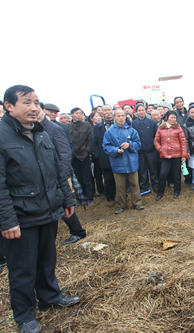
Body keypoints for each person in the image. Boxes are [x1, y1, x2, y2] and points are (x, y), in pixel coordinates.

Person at [1, 85, 80, 333]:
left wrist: (67, 200)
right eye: (27, 102)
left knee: (47, 260)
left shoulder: (42, 133)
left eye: (37, 102)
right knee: (22, 268)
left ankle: (50, 297)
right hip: (20, 217)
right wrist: (6, 221)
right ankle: (25, 316)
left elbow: (57, 170)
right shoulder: (2, 136)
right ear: (9, 106)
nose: (34, 108)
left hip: (47, 210)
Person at [39, 104, 87, 245]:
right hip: (41, 176)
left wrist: (63, 175)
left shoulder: (54, 129)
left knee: (61, 202)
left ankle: (77, 231)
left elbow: (65, 152)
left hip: (56, 176)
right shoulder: (32, 129)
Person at [103, 109, 144, 214]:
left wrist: (130, 145)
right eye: (118, 116)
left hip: (131, 162)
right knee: (120, 186)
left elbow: (138, 144)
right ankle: (121, 205)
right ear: (114, 118)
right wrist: (116, 150)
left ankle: (137, 203)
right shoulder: (109, 132)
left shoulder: (132, 131)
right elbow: (106, 146)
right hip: (118, 163)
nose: (121, 118)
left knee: (134, 184)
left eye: (122, 115)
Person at [154, 111, 188, 199]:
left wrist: (184, 155)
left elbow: (183, 142)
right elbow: (156, 141)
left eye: (175, 118)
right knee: (163, 174)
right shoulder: (161, 128)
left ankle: (177, 190)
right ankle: (160, 192)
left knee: (177, 174)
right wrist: (160, 149)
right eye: (171, 117)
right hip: (165, 155)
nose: (173, 119)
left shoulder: (178, 128)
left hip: (176, 155)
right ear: (166, 117)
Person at [67, 107, 94, 206]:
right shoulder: (67, 126)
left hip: (84, 154)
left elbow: (90, 140)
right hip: (73, 156)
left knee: (87, 176)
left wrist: (87, 151)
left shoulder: (86, 126)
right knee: (77, 178)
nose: (79, 115)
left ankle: (89, 197)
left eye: (80, 113)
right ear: (71, 114)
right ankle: (80, 198)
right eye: (76, 113)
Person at [91, 105, 117, 207]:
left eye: (109, 110)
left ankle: (120, 196)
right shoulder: (97, 127)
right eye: (105, 110)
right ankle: (110, 197)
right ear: (102, 112)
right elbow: (94, 143)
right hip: (105, 157)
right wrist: (99, 154)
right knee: (108, 179)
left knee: (120, 179)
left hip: (118, 155)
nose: (107, 112)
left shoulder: (118, 124)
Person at [132, 104, 159, 194]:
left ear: (146, 111)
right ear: (136, 112)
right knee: (142, 171)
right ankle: (144, 187)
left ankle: (156, 185)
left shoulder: (152, 123)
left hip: (151, 151)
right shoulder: (133, 124)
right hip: (140, 152)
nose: (141, 112)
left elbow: (157, 137)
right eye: (139, 110)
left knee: (153, 170)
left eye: (143, 110)